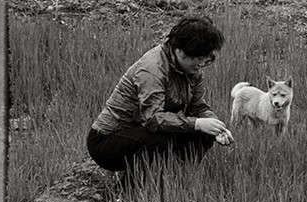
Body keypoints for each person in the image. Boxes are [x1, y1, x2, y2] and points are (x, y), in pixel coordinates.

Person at [86, 15, 233, 174]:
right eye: (198, 58)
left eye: (206, 58)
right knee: (159, 139)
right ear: (179, 51)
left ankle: (177, 178)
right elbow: (152, 119)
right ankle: (131, 190)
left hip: (141, 132)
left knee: (204, 133)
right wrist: (197, 123)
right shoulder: (152, 69)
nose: (202, 64)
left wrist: (216, 125)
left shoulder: (192, 69)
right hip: (108, 140)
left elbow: (197, 106)